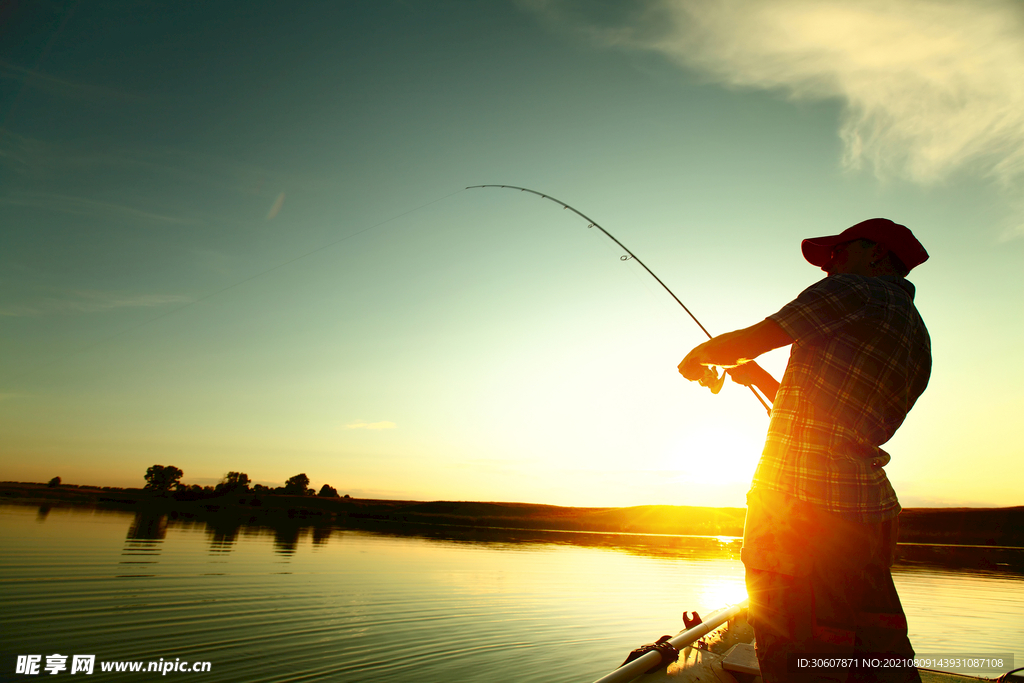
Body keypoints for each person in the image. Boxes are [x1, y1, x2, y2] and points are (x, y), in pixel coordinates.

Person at [678, 218, 931, 683]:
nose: (830, 266)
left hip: (801, 507)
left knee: (794, 647)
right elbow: (833, 420)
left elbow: (754, 338)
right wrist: (756, 377)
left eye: (838, 253)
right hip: (870, 512)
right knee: (871, 647)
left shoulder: (854, 290)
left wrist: (699, 355)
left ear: (874, 253)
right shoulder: (916, 332)